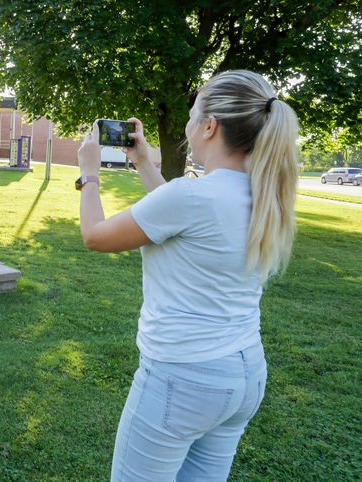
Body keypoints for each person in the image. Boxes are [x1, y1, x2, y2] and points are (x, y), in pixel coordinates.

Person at [76, 70, 299, 481]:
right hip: (244, 373)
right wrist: (143, 161)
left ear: (210, 126)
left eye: (193, 114)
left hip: (183, 377)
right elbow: (176, 213)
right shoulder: (263, 193)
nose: (188, 124)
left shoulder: (194, 196)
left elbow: (95, 236)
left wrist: (89, 173)